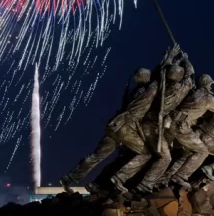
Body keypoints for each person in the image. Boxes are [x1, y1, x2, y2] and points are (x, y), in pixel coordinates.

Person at [60, 46, 179, 194]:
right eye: (148, 76)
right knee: (146, 153)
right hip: (126, 127)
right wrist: (168, 59)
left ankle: (70, 178)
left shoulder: (134, 91)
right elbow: (159, 76)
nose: (150, 77)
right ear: (144, 78)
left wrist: (167, 58)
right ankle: (119, 178)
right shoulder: (150, 89)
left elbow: (155, 76)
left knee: (97, 155)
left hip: (114, 125)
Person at [135, 53, 194, 193]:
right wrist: (185, 58)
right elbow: (191, 72)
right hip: (157, 126)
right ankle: (145, 184)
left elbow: (160, 72)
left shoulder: (160, 85)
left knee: (156, 153)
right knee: (165, 157)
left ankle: (151, 181)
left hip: (149, 123)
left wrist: (172, 59)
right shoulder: (183, 87)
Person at [162, 74, 214, 190]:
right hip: (183, 126)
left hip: (180, 125)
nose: (211, 87)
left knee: (188, 155)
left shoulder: (193, 93)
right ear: (206, 84)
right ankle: (181, 176)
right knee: (202, 152)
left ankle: (165, 178)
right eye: (210, 85)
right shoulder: (208, 98)